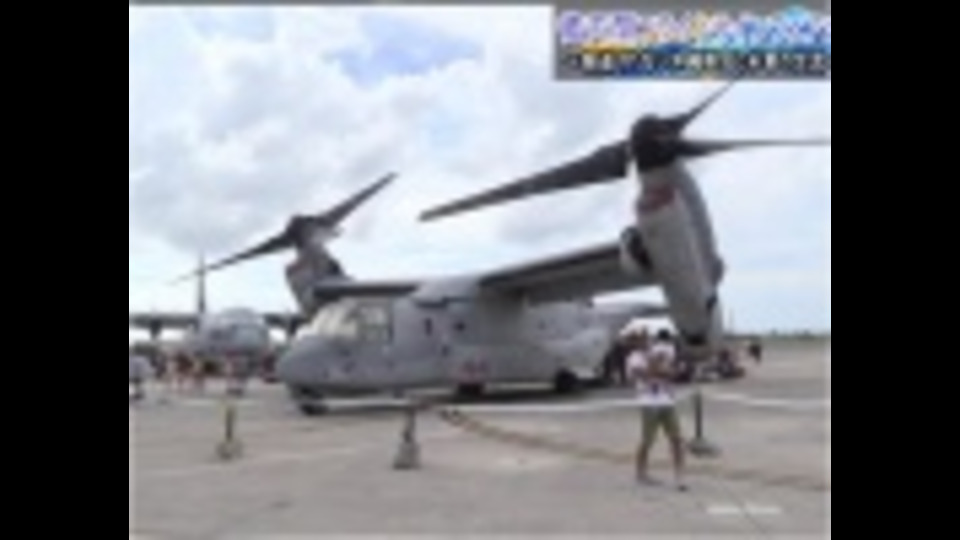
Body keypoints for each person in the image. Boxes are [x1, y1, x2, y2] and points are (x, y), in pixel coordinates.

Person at [628, 328, 688, 491]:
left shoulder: (661, 351)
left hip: (667, 400)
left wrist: (661, 369)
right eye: (639, 339)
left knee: (676, 438)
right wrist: (659, 369)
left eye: (646, 338)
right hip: (648, 402)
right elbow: (643, 374)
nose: (644, 342)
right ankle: (641, 473)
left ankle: (679, 476)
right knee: (648, 440)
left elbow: (672, 372)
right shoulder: (634, 358)